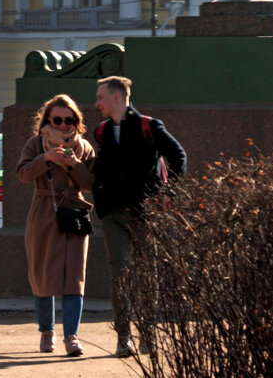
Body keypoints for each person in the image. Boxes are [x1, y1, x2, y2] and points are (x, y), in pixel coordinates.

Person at [91, 75, 187, 358]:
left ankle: (148, 335)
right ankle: (124, 338)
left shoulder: (149, 126)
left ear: (117, 98)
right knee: (118, 274)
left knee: (147, 273)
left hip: (145, 211)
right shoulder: (101, 131)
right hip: (112, 213)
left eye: (100, 97)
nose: (97, 103)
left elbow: (178, 156)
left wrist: (170, 191)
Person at [16, 94, 96, 357]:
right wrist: (46, 158)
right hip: (43, 212)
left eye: (69, 119)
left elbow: (91, 184)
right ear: (47, 120)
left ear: (76, 120)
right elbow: (23, 174)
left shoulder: (84, 147)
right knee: (42, 275)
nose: (63, 125)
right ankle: (47, 332)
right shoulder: (36, 143)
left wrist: (74, 165)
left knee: (75, 278)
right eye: (57, 119)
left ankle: (71, 337)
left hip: (74, 213)